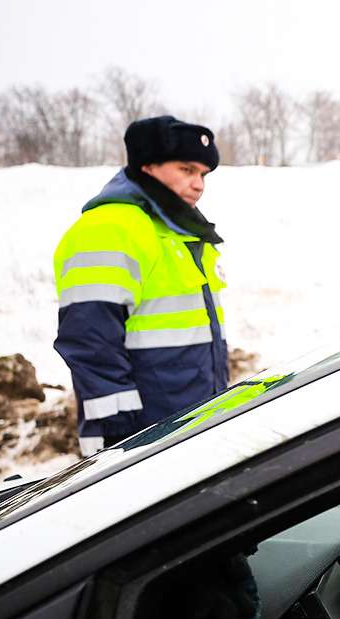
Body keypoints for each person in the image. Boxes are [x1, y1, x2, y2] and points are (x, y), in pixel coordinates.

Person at [53, 115, 226, 456]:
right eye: (186, 170)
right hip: (137, 439)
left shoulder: (181, 233)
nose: (199, 184)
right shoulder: (110, 229)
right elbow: (89, 341)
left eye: (203, 174)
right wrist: (121, 435)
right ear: (148, 166)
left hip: (188, 427)